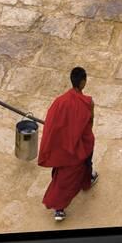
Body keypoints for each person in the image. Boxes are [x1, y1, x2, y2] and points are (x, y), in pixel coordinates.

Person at [38, 67, 98, 221]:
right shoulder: (88, 102)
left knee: (63, 172)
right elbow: (89, 123)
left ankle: (88, 179)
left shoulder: (59, 101)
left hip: (61, 146)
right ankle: (59, 208)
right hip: (80, 146)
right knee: (68, 178)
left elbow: (51, 124)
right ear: (83, 82)